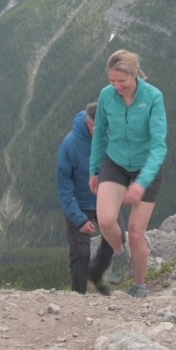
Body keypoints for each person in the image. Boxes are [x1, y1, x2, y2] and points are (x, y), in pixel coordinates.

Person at [87, 49, 168, 298]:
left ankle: (141, 285)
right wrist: (94, 169)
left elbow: (159, 145)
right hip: (116, 161)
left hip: (147, 166)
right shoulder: (106, 96)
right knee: (106, 220)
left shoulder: (153, 97)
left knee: (135, 232)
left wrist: (141, 183)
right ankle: (120, 255)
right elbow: (100, 133)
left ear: (134, 75)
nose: (116, 86)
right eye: (112, 81)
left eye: (121, 81)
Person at [56, 102, 99, 293]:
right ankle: (78, 296)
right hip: (79, 205)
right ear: (89, 124)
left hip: (105, 201)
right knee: (81, 253)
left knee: (118, 238)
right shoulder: (70, 145)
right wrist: (79, 219)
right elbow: (64, 188)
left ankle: (106, 283)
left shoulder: (110, 136)